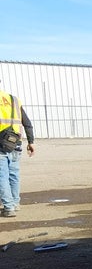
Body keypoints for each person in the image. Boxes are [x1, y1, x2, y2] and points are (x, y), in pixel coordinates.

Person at [0, 86, 36, 217]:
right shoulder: (14, 99)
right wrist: (31, 142)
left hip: (0, 145)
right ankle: (15, 203)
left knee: (2, 177)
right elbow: (27, 123)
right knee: (14, 175)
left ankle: (8, 208)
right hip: (15, 142)